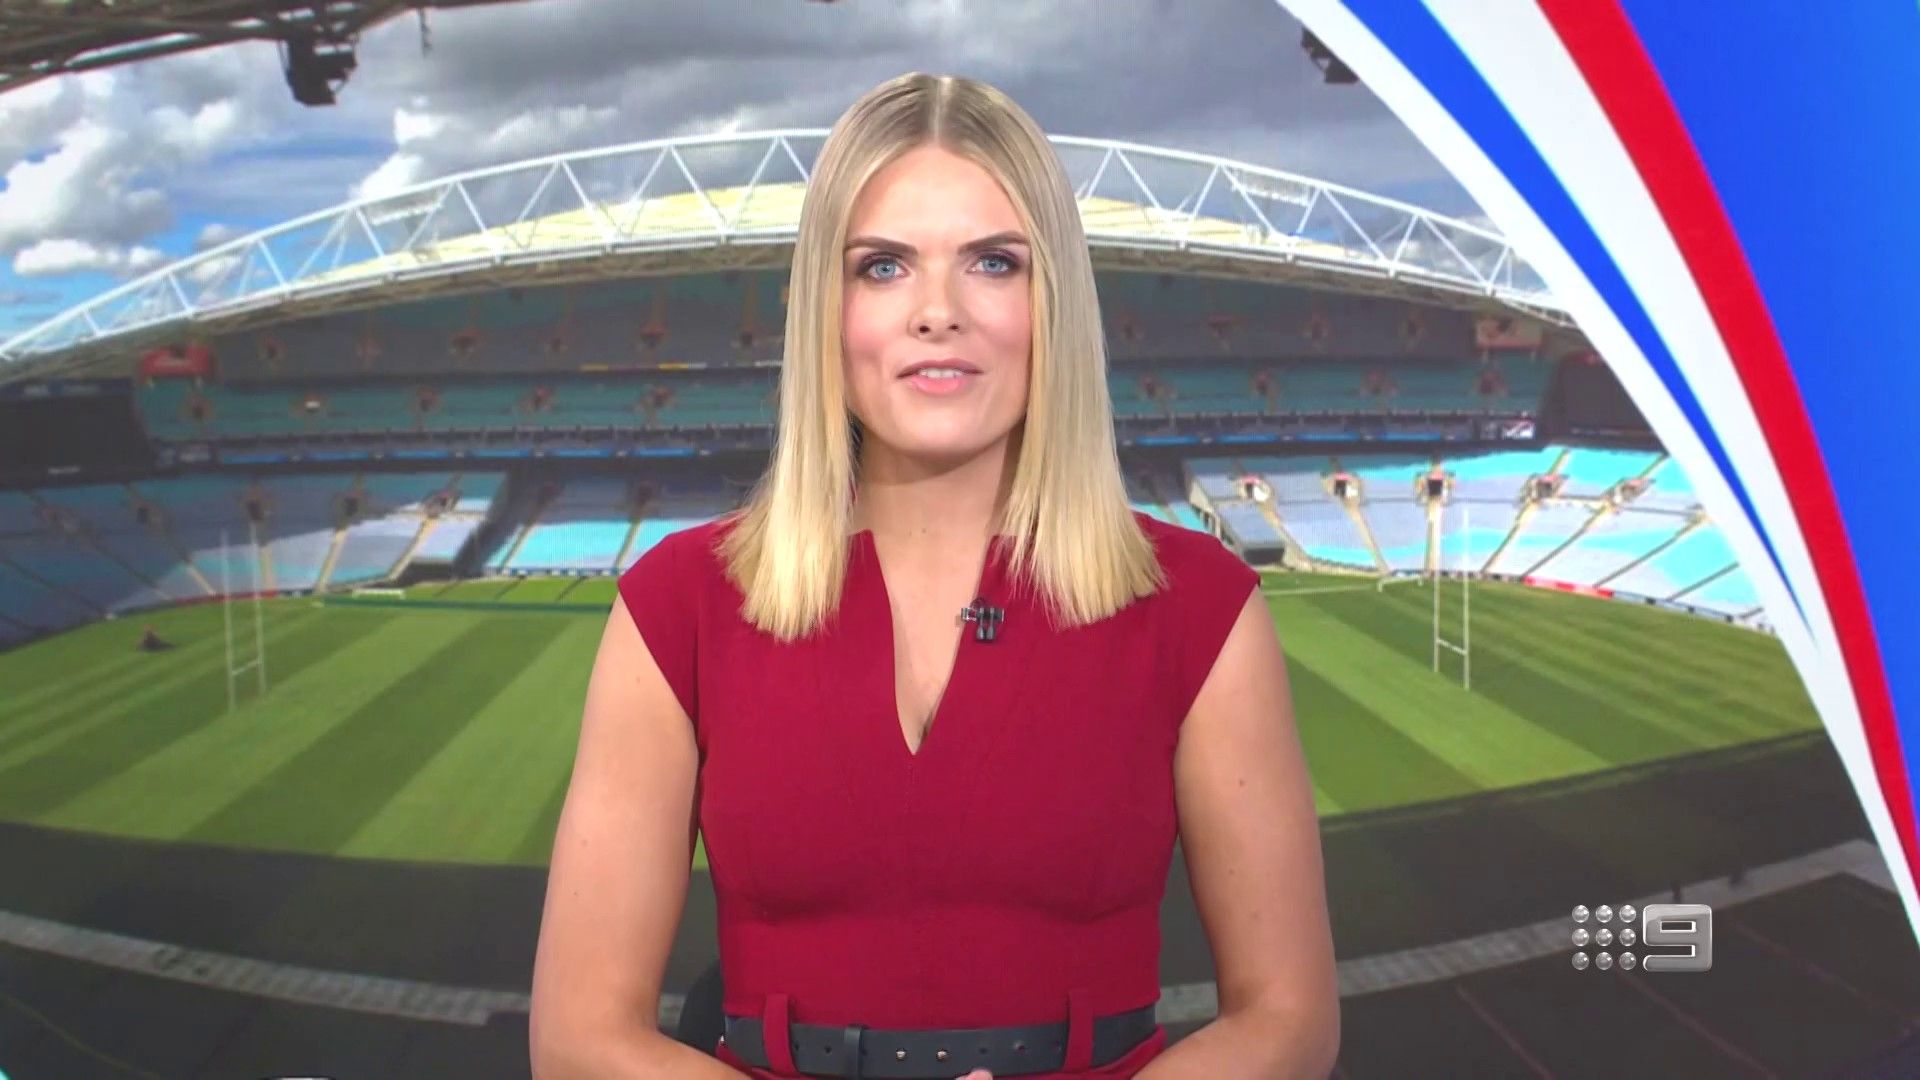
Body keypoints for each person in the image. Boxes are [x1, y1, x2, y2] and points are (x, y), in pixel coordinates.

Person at [529, 72, 1338, 1080]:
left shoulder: (1201, 608)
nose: (938, 313)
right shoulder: (678, 604)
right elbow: (577, 1041)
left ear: (1053, 301)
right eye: (883, 267)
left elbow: (1289, 1020)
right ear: (828, 311)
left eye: (994, 263)